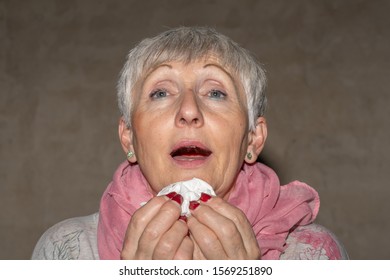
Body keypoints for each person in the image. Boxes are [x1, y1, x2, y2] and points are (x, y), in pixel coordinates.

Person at [32, 26, 348, 260]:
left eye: (215, 92)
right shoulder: (65, 249)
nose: (188, 111)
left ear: (252, 139)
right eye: (160, 92)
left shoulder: (314, 253)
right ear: (129, 136)